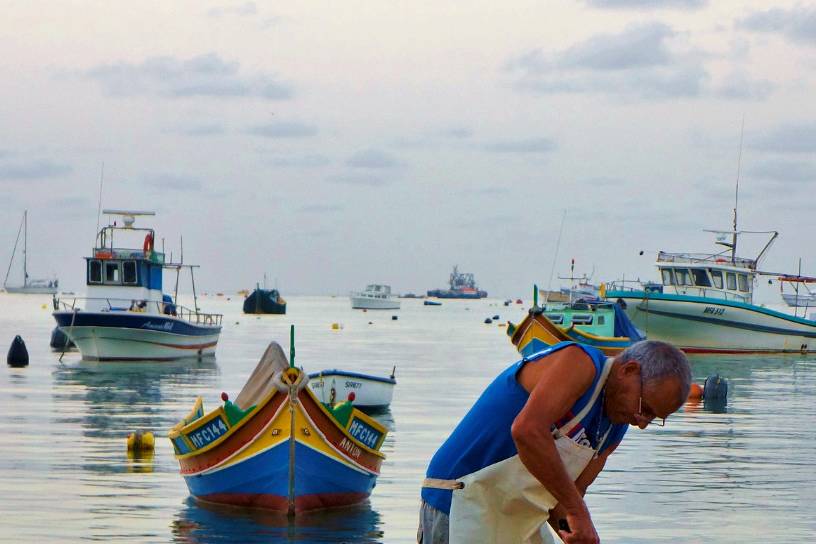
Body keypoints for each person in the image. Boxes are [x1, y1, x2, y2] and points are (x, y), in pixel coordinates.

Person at [418, 340, 691, 544]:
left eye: (654, 418)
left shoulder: (613, 429)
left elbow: (564, 498)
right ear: (628, 370)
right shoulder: (580, 363)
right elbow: (527, 431)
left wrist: (579, 532)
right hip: (458, 501)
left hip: (514, 520)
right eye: (645, 408)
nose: (641, 422)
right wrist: (576, 510)